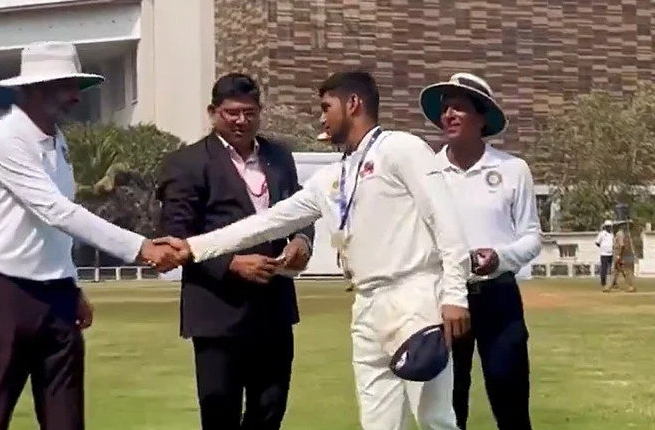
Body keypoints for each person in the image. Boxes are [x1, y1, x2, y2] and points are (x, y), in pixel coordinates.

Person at [158, 71, 472, 430]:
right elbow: (268, 222)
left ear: (353, 104)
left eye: (326, 107)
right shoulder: (335, 175)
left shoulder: (402, 148)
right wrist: (192, 247)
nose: (321, 117)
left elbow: (446, 221)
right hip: (367, 304)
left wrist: (455, 296)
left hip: (414, 295)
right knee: (379, 424)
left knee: (435, 419)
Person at [0, 41, 179, 430]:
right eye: (65, 86)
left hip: (57, 295)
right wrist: (140, 247)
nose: (75, 98)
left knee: (66, 418)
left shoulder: (57, 141)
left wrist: (72, 285)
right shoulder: (6, 137)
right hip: (4, 292)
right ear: (32, 89)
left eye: (76, 87)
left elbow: (56, 227)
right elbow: (56, 210)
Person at [155, 73, 315, 430]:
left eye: (250, 112)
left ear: (260, 112)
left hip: (273, 308)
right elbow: (174, 235)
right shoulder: (187, 163)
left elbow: (303, 210)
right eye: (232, 113)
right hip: (217, 312)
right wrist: (231, 263)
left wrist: (302, 240)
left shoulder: (279, 157)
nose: (242, 121)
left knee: (269, 410)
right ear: (213, 112)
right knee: (220, 415)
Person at [418, 72, 542, 430]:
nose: (449, 116)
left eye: (459, 108)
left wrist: (500, 257)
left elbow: (532, 237)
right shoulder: (427, 173)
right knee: (448, 406)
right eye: (445, 110)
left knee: (511, 400)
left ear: (482, 117)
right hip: (445, 299)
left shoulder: (513, 169)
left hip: (498, 297)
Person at [611, 220, 636, 293]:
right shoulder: (628, 234)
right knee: (617, 269)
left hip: (622, 253)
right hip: (626, 253)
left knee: (626, 270)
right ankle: (613, 284)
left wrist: (619, 255)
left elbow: (622, 245)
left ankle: (631, 286)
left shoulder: (620, 234)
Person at [595, 220, 614, 291]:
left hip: (612, 253)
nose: (609, 228)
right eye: (607, 227)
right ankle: (603, 282)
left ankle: (612, 283)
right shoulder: (602, 234)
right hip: (604, 254)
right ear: (605, 227)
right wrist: (603, 247)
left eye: (610, 227)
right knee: (604, 269)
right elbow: (597, 242)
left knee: (612, 269)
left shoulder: (612, 234)